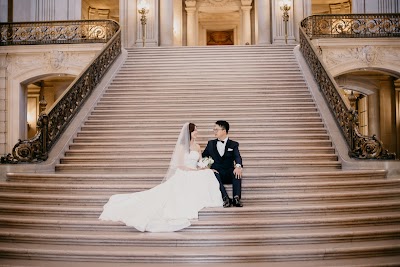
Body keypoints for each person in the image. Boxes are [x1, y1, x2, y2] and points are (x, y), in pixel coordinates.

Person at [99, 123, 223, 232]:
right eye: (195, 130)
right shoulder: (181, 147)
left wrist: (205, 167)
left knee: (208, 174)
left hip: (194, 171)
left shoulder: (197, 146)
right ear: (189, 132)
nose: (197, 132)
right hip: (184, 173)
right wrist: (194, 171)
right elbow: (180, 165)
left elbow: (199, 162)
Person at [202, 120, 243, 208]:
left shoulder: (233, 144)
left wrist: (238, 166)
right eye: (214, 130)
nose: (214, 132)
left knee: (237, 172)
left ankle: (236, 198)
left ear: (224, 131)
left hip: (228, 172)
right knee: (213, 174)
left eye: (216, 130)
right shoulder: (210, 144)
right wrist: (207, 168)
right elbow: (204, 157)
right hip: (217, 172)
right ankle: (225, 198)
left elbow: (237, 157)